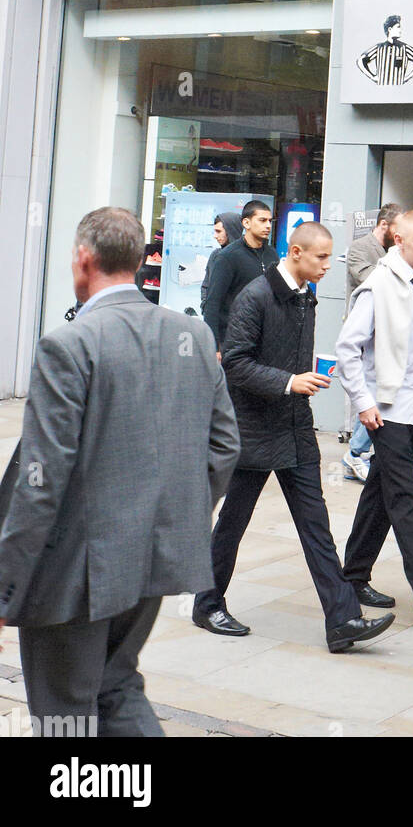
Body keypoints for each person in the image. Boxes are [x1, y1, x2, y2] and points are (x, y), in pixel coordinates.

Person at [0, 207, 240, 735]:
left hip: (73, 574)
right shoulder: (194, 336)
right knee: (116, 686)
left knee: (66, 710)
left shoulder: (69, 344)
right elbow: (224, 448)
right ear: (137, 259)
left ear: (84, 259)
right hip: (151, 559)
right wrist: (173, 519)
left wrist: (6, 584)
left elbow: (42, 478)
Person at [193, 221, 394, 653]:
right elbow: (236, 363)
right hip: (254, 429)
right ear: (296, 252)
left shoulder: (306, 294)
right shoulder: (256, 295)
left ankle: (342, 621)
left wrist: (308, 379)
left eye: (330, 256)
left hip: (295, 429)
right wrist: (289, 381)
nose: (328, 264)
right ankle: (207, 604)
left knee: (315, 526)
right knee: (233, 522)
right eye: (321, 257)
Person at [336, 210, 413, 627]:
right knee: (404, 499)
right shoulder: (378, 286)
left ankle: (352, 576)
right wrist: (363, 402)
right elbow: (347, 348)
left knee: (380, 494)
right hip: (385, 409)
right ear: (397, 240)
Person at [341, 203, 402, 481]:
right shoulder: (360, 248)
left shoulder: (392, 252)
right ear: (385, 225)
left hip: (387, 332)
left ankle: (359, 452)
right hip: (365, 333)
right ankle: (354, 453)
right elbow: (368, 279)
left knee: (381, 391)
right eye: (397, 228)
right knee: (373, 393)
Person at [202, 199, 278, 351]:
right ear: (246, 223)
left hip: (263, 341)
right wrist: (215, 346)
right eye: (262, 220)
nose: (268, 225)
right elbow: (212, 303)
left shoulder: (272, 255)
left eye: (270, 221)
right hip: (232, 340)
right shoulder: (228, 257)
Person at [200, 211, 243, 314]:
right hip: (214, 316)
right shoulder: (215, 255)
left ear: (230, 231)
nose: (215, 236)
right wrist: (205, 306)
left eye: (219, 231)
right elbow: (206, 285)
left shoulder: (245, 257)